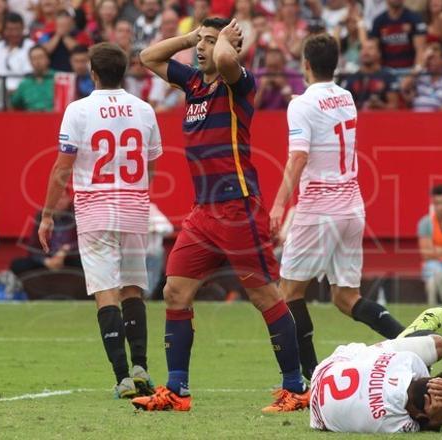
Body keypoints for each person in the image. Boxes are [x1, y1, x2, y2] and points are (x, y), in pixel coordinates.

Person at [135, 17, 308, 413]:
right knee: (174, 291)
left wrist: (224, 41)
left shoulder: (239, 83)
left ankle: (295, 387)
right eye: (200, 42)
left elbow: (228, 59)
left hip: (236, 206)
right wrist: (194, 36)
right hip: (202, 212)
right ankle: (177, 390)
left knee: (264, 295)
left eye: (210, 42)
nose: (201, 49)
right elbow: (147, 57)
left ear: (227, 46)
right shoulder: (193, 83)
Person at [270, 34, 409, 382]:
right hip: (351, 206)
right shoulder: (346, 97)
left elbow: (299, 156)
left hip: (319, 207)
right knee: (346, 297)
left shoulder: (301, 104)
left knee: (288, 294)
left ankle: (311, 378)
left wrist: (277, 204)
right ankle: (411, 342)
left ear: (305, 64)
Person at [38, 43, 162, 398]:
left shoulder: (78, 110)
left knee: (106, 291)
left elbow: (63, 167)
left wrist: (47, 215)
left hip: (94, 209)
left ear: (92, 72)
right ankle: (141, 366)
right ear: (123, 71)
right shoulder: (144, 110)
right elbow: (151, 165)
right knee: (134, 288)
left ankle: (122, 377)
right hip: (134, 207)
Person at [310, 308, 442, 433]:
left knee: (439, 345)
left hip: (330, 365)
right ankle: (404, 340)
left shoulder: (408, 362)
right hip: (319, 408)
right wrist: (436, 420)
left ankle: (406, 336)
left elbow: (422, 383)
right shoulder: (391, 422)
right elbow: (428, 426)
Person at [11, 189, 80, 277]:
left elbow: (85, 242)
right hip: (47, 260)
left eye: (62, 198)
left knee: (85, 265)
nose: (58, 201)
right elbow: (32, 248)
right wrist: (46, 261)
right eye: (55, 198)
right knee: (18, 265)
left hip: (69, 259)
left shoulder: (77, 215)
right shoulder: (42, 216)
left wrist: (66, 250)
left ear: (69, 199)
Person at [337, 39, 399, 110]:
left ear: (379, 53)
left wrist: (380, 106)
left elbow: (394, 106)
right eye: (363, 49)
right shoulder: (351, 78)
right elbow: (343, 107)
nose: (365, 52)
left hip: (382, 118)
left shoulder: (388, 76)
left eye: (370, 48)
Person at [369, 0, 426, 73]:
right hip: (385, 71)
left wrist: (413, 75)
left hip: (409, 70)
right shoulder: (378, 21)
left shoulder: (415, 19)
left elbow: (420, 51)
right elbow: (374, 50)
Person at [401, 44, 442, 111]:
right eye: (429, 59)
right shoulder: (420, 75)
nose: (431, 62)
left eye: (434, 58)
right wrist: (420, 66)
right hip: (416, 116)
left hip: (438, 117)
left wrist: (433, 118)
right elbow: (404, 86)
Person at [0, 12, 34, 93]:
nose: (14, 33)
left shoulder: (31, 46)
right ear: (4, 29)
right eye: (10, 29)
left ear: (23, 28)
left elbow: (30, 75)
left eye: (17, 29)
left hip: (24, 93)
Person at [11, 45, 55, 111]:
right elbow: (14, 104)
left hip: (55, 119)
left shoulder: (59, 79)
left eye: (40, 57)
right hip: (30, 119)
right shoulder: (24, 84)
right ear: (30, 62)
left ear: (48, 59)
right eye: (34, 58)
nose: (37, 61)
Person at [146, 202, 173, 297]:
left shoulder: (152, 209)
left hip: (154, 252)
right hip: (135, 253)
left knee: (153, 277)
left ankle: (148, 296)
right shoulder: (132, 211)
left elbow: (168, 227)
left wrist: (154, 229)